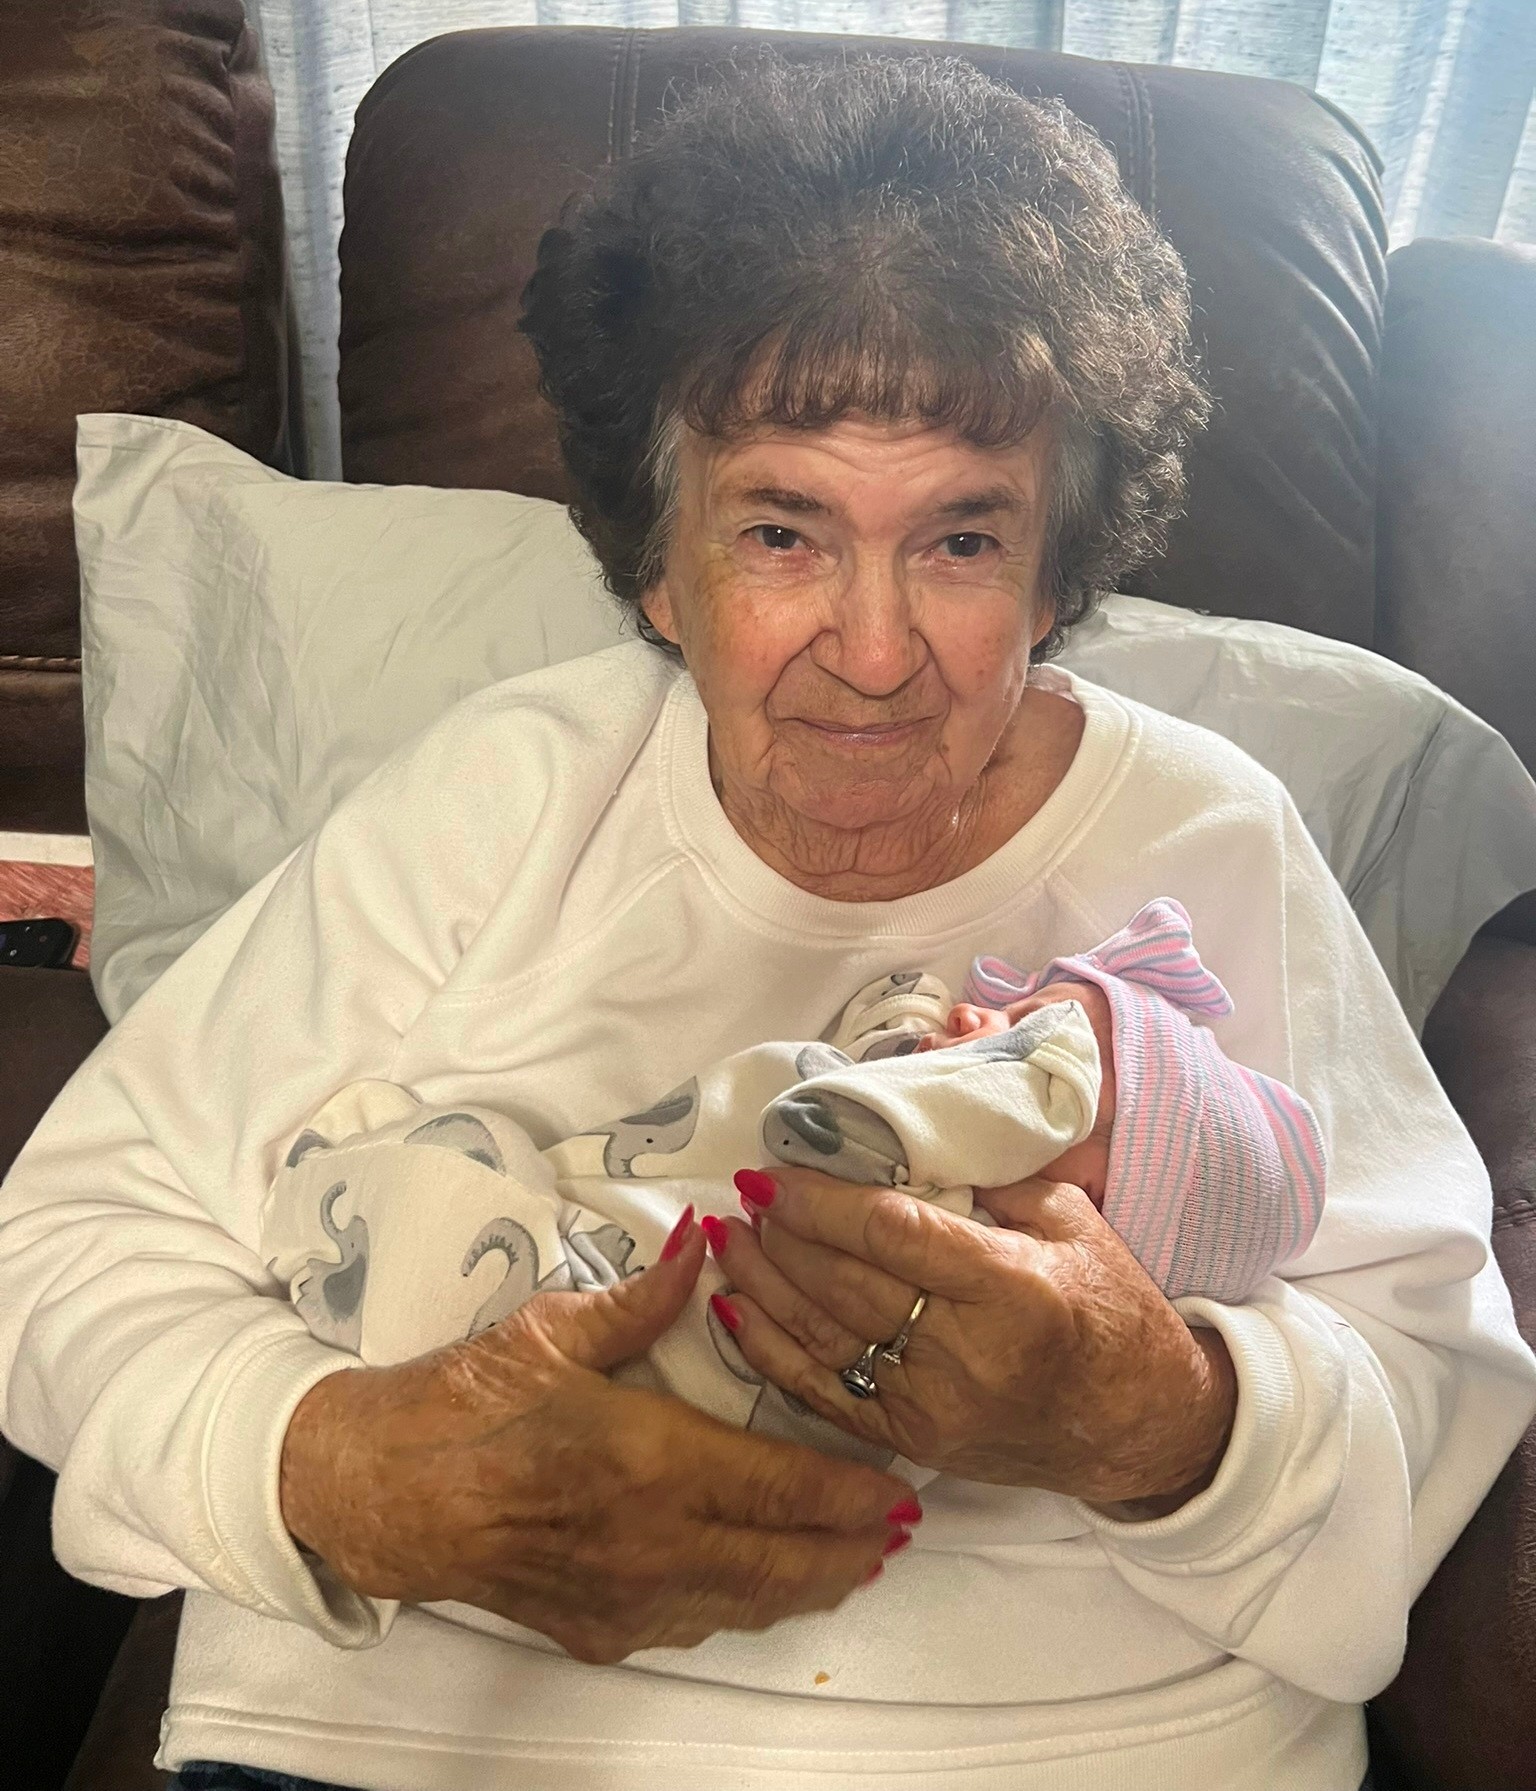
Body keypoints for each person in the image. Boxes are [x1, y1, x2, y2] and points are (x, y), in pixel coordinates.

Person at [1, 50, 1532, 1791]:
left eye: (962, 540)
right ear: (659, 565)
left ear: (1059, 569)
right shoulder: (506, 789)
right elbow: (69, 1239)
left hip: (1088, 1748)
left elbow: (1426, 1380)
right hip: (433, 1736)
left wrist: (1155, 1412)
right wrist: (344, 1471)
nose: (874, 654)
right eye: (785, 530)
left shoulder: (1210, 836)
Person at [261, 896, 1327, 1481]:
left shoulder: (962, 1239)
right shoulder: (917, 1119)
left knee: (462, 1219)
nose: (978, 1023)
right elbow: (860, 1058)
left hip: (622, 1359)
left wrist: (992, 1083)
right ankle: (368, 1237)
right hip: (596, 1245)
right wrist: (912, 1028)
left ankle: (362, 1252)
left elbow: (843, 1133)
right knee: (472, 1164)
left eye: (1029, 1054)